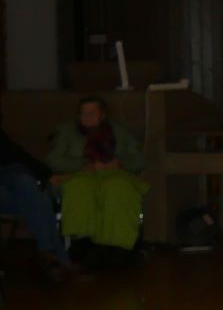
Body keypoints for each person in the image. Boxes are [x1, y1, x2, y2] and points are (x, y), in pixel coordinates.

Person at [47, 96, 149, 256]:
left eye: (92, 113)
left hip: (114, 174)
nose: (87, 117)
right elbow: (53, 159)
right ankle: (82, 243)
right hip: (79, 175)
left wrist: (119, 163)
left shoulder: (120, 132)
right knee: (80, 189)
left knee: (118, 190)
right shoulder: (67, 132)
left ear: (103, 114)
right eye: (83, 113)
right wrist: (83, 165)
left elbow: (139, 159)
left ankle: (119, 245)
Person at [0, 121, 80, 281]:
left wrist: (47, 174)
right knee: (39, 199)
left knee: (26, 184)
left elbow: (15, 152)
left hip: (12, 173)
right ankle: (57, 257)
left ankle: (50, 256)